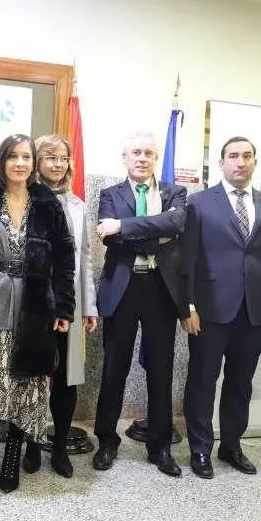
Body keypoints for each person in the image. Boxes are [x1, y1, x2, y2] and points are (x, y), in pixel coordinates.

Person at [0, 134, 75, 494]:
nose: (20, 163)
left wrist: (63, 306)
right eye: (13, 156)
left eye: (26, 157)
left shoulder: (47, 203)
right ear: (2, 161)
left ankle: (12, 458)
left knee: (26, 385)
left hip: (35, 306)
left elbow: (65, 260)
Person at [180, 136, 261, 479]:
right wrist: (188, 306)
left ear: (254, 161)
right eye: (232, 156)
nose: (239, 162)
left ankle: (231, 445)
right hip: (209, 310)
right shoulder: (198, 203)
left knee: (241, 383)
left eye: (246, 156)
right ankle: (200, 449)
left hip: (254, 311)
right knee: (202, 381)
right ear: (221, 162)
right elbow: (187, 260)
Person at [91, 132, 186, 477]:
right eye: (136, 152)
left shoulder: (175, 193)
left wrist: (125, 226)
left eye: (148, 153)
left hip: (161, 290)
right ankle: (106, 441)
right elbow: (111, 236)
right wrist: (154, 234)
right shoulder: (109, 195)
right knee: (114, 369)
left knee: (161, 371)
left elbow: (176, 223)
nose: (142, 158)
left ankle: (159, 446)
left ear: (156, 157)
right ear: (125, 157)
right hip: (123, 288)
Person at [22, 134, 97, 478]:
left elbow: (85, 260)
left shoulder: (78, 205)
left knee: (67, 379)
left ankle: (61, 446)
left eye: (63, 158)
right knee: (33, 374)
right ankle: (32, 445)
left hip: (70, 302)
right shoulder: (23, 198)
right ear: (36, 161)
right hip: (33, 301)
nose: (56, 163)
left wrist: (89, 307)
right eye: (49, 157)